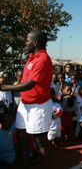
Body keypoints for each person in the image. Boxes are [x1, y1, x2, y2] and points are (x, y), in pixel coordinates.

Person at [0, 30, 53, 168]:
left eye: (27, 40)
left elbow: (29, 84)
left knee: (41, 141)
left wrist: (4, 87)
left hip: (38, 106)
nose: (25, 42)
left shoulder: (43, 59)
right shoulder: (32, 57)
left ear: (35, 42)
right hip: (25, 104)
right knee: (21, 137)